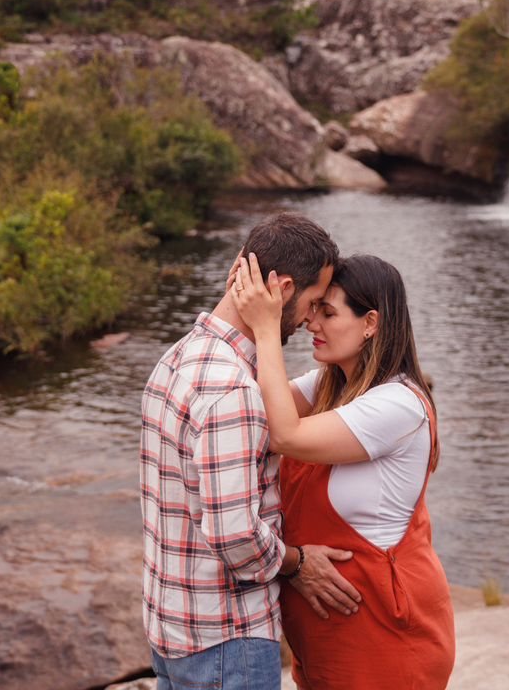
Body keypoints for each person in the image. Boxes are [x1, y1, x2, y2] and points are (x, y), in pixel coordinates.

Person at [139, 212, 363, 690]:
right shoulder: (233, 389)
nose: (309, 320)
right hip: (226, 637)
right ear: (280, 288)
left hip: (172, 627)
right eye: (312, 302)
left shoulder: (175, 358)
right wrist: (297, 562)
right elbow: (235, 534)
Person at [232, 251, 456, 690]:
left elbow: (285, 435)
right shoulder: (331, 382)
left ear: (370, 323)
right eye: (313, 309)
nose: (311, 323)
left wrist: (265, 328)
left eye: (327, 313)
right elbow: (249, 408)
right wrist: (239, 307)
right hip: (325, 639)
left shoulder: (399, 403)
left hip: (383, 637)